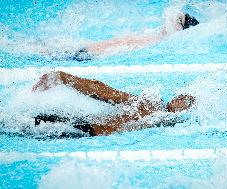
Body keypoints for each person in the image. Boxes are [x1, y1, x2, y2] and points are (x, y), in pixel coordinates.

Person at [32, 71, 196, 136]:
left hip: (86, 130)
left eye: (186, 100)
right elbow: (106, 92)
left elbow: (105, 92)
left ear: (186, 110)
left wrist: (63, 78)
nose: (181, 98)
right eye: (182, 95)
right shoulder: (152, 105)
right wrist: (64, 78)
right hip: (84, 128)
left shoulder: (163, 117)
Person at [70, 13, 199, 61]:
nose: (173, 18)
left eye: (179, 19)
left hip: (88, 55)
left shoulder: (158, 42)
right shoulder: (153, 35)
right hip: (86, 51)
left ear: (179, 29)